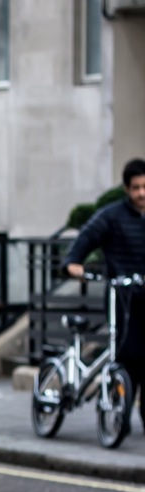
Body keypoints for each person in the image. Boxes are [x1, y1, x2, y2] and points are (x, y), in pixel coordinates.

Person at [64, 158, 145, 430]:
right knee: (127, 354)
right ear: (126, 188)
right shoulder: (112, 216)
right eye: (136, 188)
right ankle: (119, 411)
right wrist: (73, 262)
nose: (141, 193)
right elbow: (86, 237)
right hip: (122, 300)